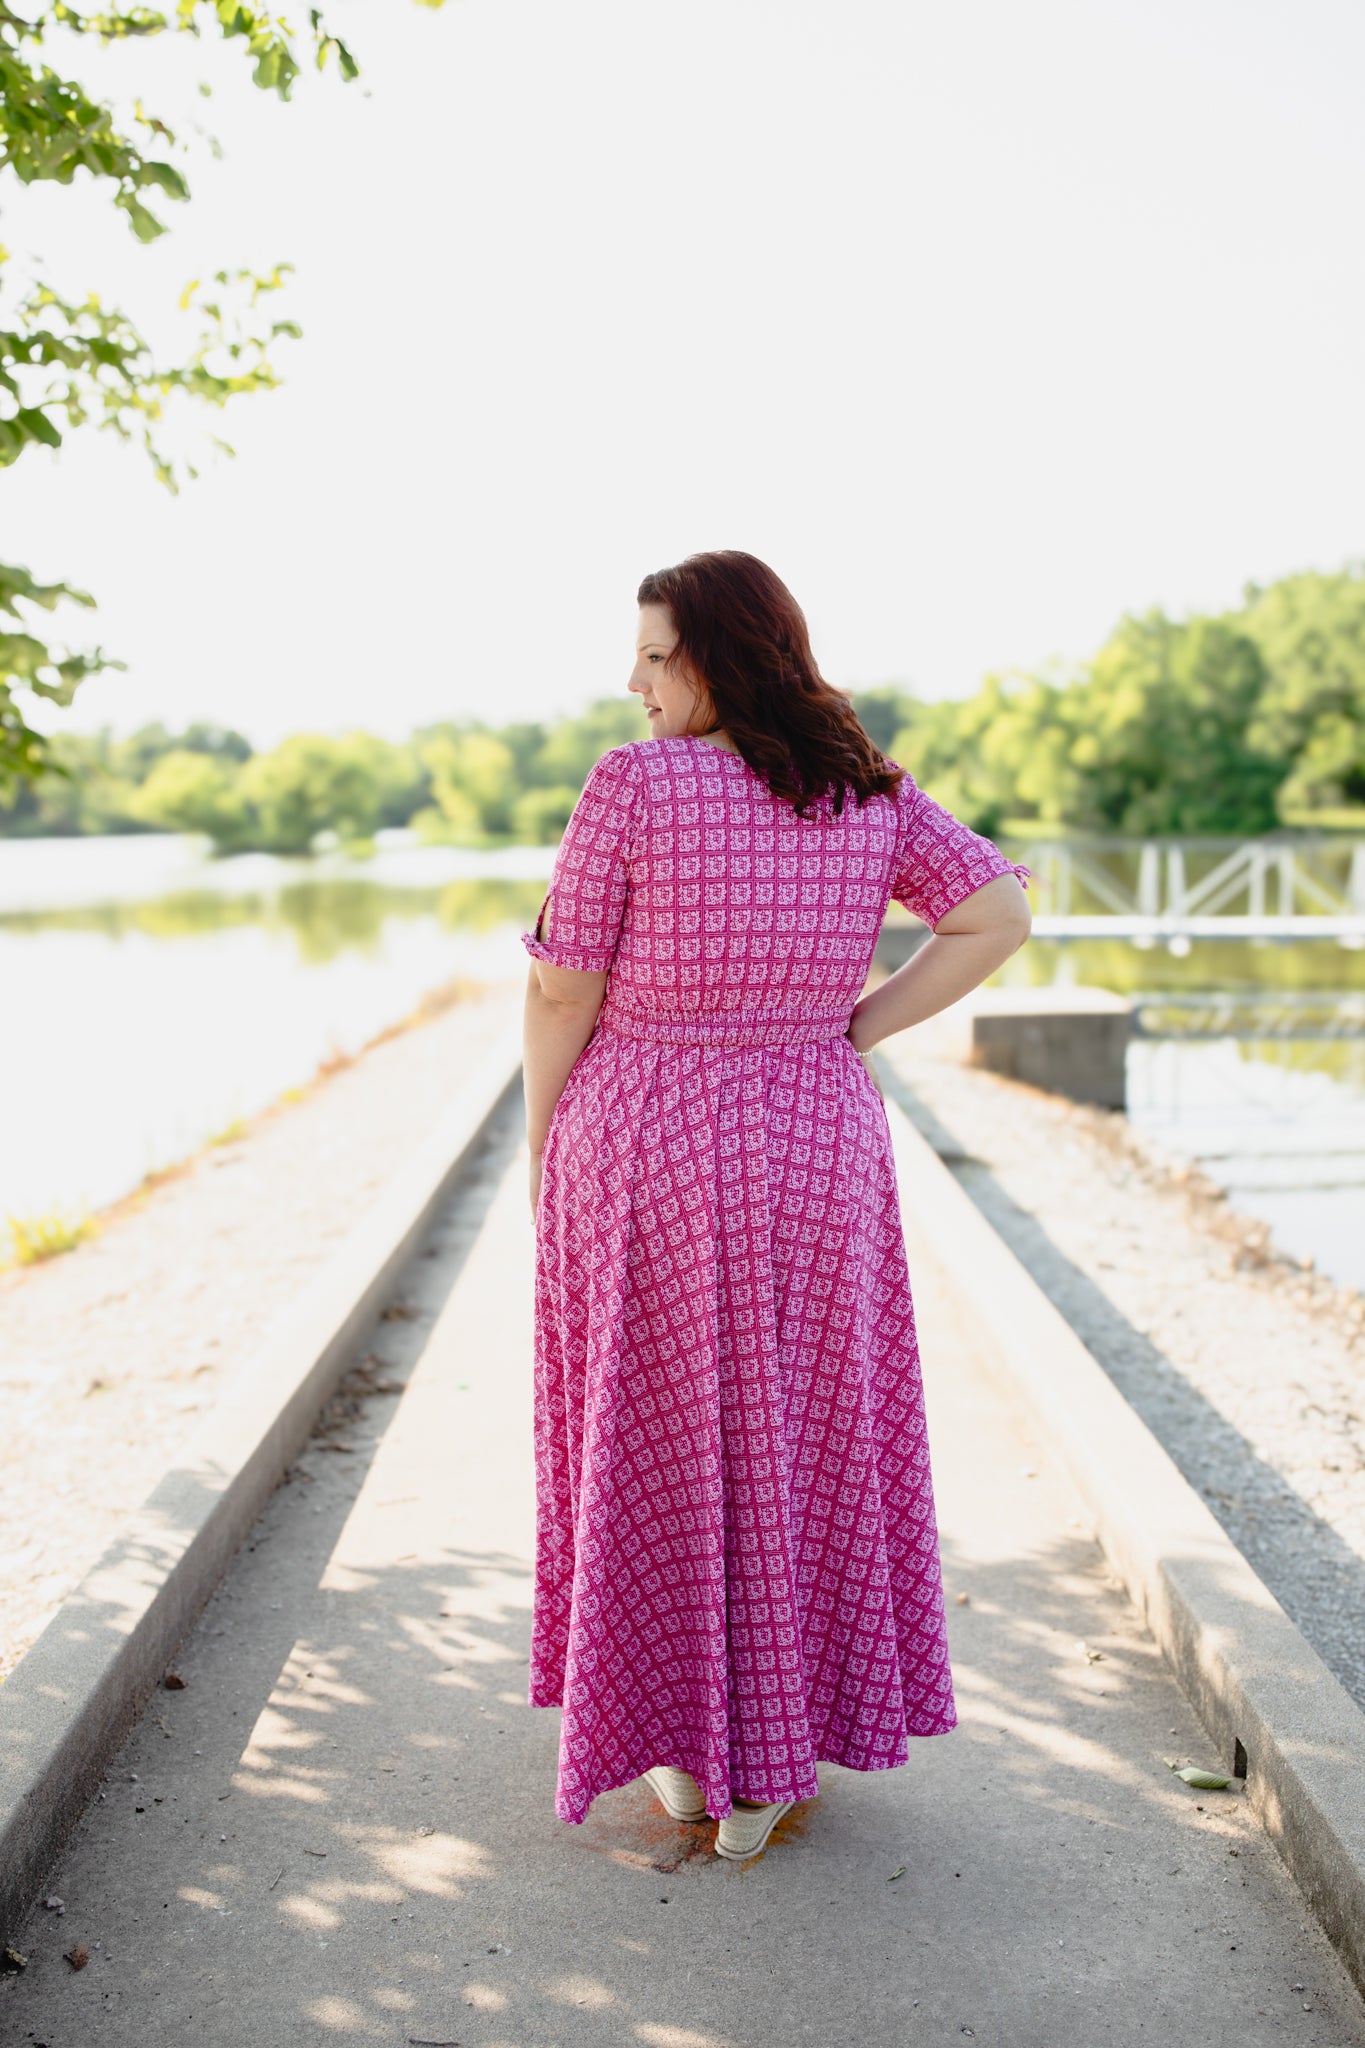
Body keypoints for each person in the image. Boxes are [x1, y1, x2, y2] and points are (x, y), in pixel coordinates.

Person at [521, 551, 1031, 1861]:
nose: (633, 682)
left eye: (655, 655)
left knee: (653, 1430)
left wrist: (541, 1148)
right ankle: (771, 1761)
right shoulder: (863, 786)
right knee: (802, 1432)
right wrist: (851, 1025)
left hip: (647, 1137)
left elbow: (563, 987)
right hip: (814, 1138)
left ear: (720, 655)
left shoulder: (634, 785)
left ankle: (685, 1755)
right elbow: (994, 916)